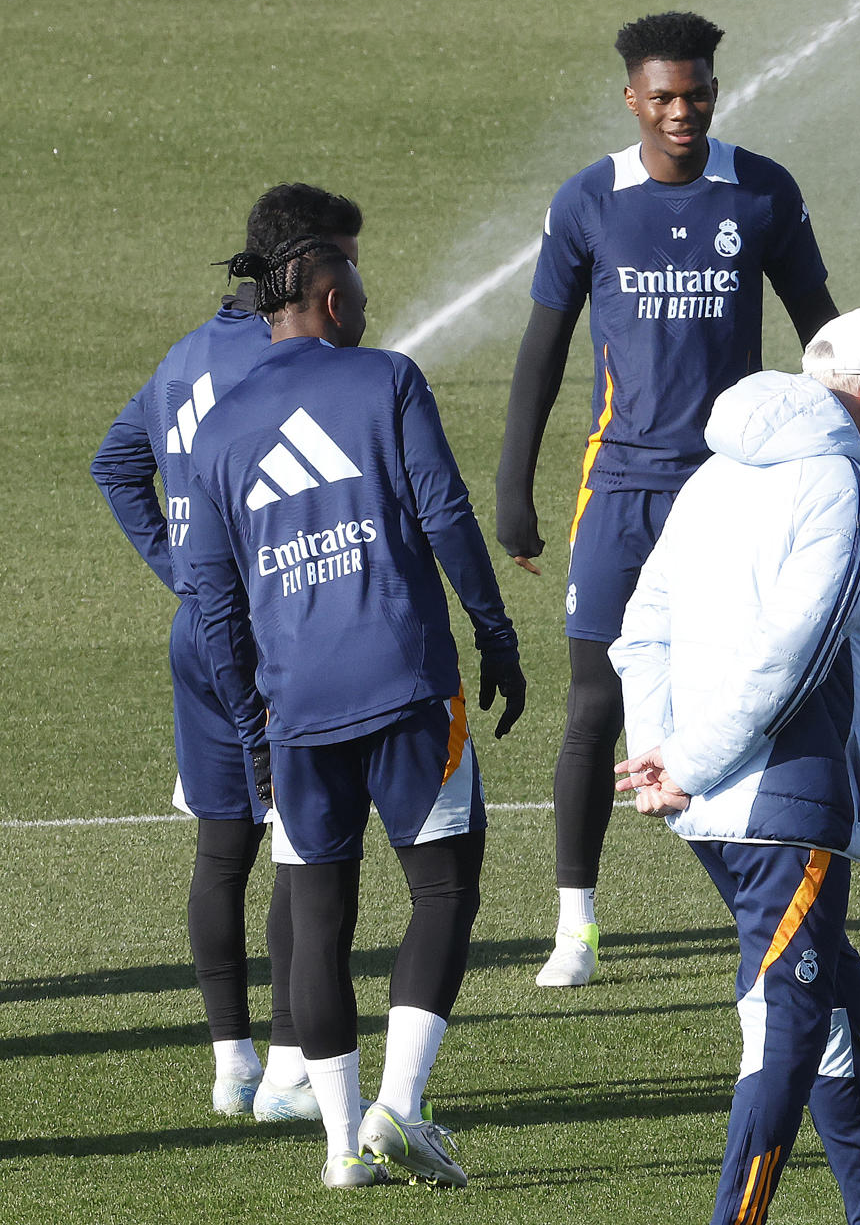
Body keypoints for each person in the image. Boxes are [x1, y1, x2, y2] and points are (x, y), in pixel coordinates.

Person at [497, 9, 838, 988]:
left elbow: (822, 332)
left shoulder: (763, 190)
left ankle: (762, 903)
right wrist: (512, 490)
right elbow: (541, 352)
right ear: (632, 99)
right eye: (663, 97)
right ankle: (577, 924)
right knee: (595, 703)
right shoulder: (590, 201)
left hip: (736, 491)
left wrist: (842, 448)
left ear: (714, 91)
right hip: (621, 493)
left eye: (696, 93)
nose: (681, 111)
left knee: (757, 694)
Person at [184, 235, 526, 1189]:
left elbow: (217, 604)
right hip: (411, 690)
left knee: (320, 916)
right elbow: (447, 516)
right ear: (331, 299)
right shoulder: (386, 379)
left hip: (296, 712)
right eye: (361, 290)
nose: (372, 306)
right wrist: (496, 637)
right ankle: (402, 1110)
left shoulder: (219, 434)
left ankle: (340, 1153)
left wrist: (255, 730)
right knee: (444, 890)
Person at [609, 308, 860, 1225]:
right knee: (787, 1027)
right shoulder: (844, 484)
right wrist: (686, 762)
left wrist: (661, 759)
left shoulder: (716, 474)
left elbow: (642, 628)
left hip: (713, 803)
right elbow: (797, 651)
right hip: (781, 799)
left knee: (834, 991)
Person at [90, 183, 361, 1121]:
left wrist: (181, 573)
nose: (356, 284)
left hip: (197, 637)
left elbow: (113, 460)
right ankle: (292, 1065)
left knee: (219, 852)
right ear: (308, 266)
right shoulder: (289, 358)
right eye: (347, 263)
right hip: (274, 630)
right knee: (302, 842)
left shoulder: (183, 358)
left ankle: (230, 1063)